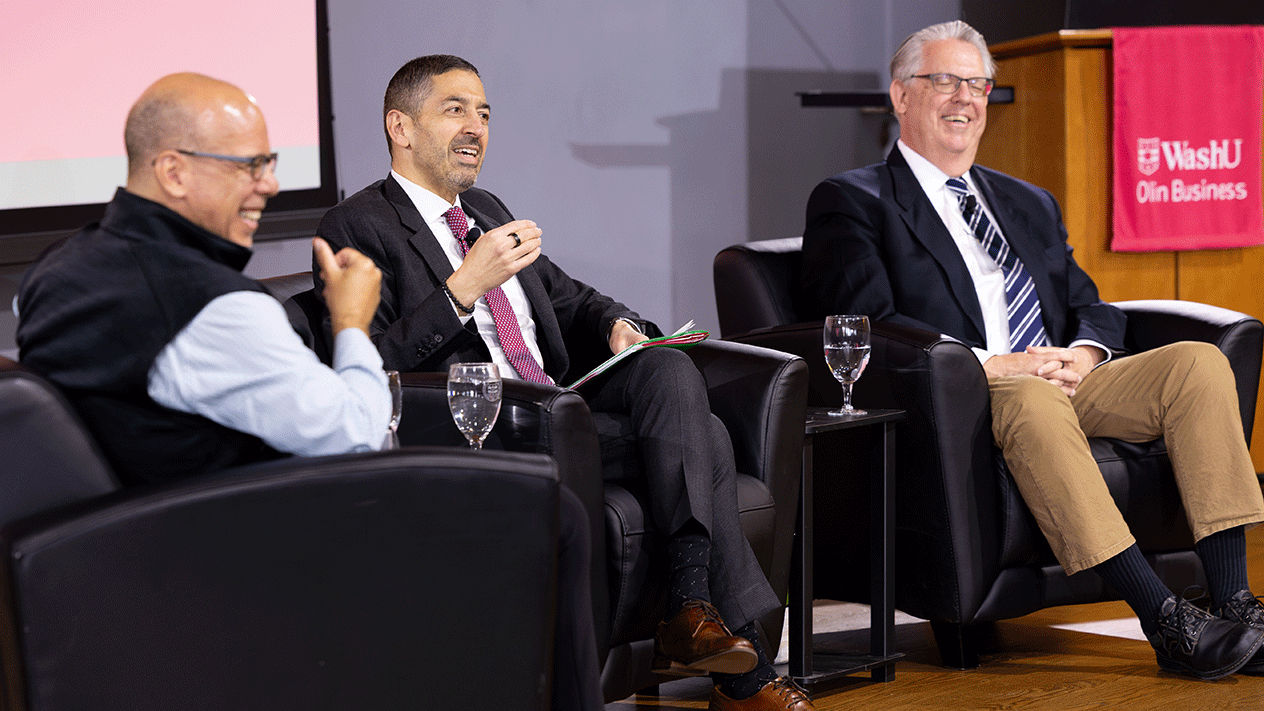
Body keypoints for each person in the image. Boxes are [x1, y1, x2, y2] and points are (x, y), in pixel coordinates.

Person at [16, 73, 604, 711]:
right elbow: (352, 438)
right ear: (174, 171)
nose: (268, 184)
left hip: (121, 548)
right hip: (243, 544)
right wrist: (351, 321)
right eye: (249, 166)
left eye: (268, 163)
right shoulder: (214, 309)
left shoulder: (55, 270)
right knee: (554, 512)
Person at [316, 55, 813, 710]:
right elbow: (369, 361)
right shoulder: (358, 225)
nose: (476, 127)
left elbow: (569, 298)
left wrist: (616, 323)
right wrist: (463, 287)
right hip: (487, 426)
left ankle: (694, 607)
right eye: (455, 109)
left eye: (485, 112)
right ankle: (735, 668)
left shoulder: (488, 208)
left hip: (564, 410)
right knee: (710, 439)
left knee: (664, 363)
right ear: (400, 127)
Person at [800, 20, 1264, 680]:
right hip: (972, 393)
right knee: (1030, 397)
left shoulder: (1026, 201)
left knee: (1199, 362)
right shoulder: (853, 201)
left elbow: (1090, 301)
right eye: (945, 81)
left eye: (977, 84)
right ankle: (1164, 617)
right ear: (901, 96)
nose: (964, 98)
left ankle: (1235, 602)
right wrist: (992, 362)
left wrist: (1083, 351)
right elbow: (871, 321)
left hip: (1063, 376)